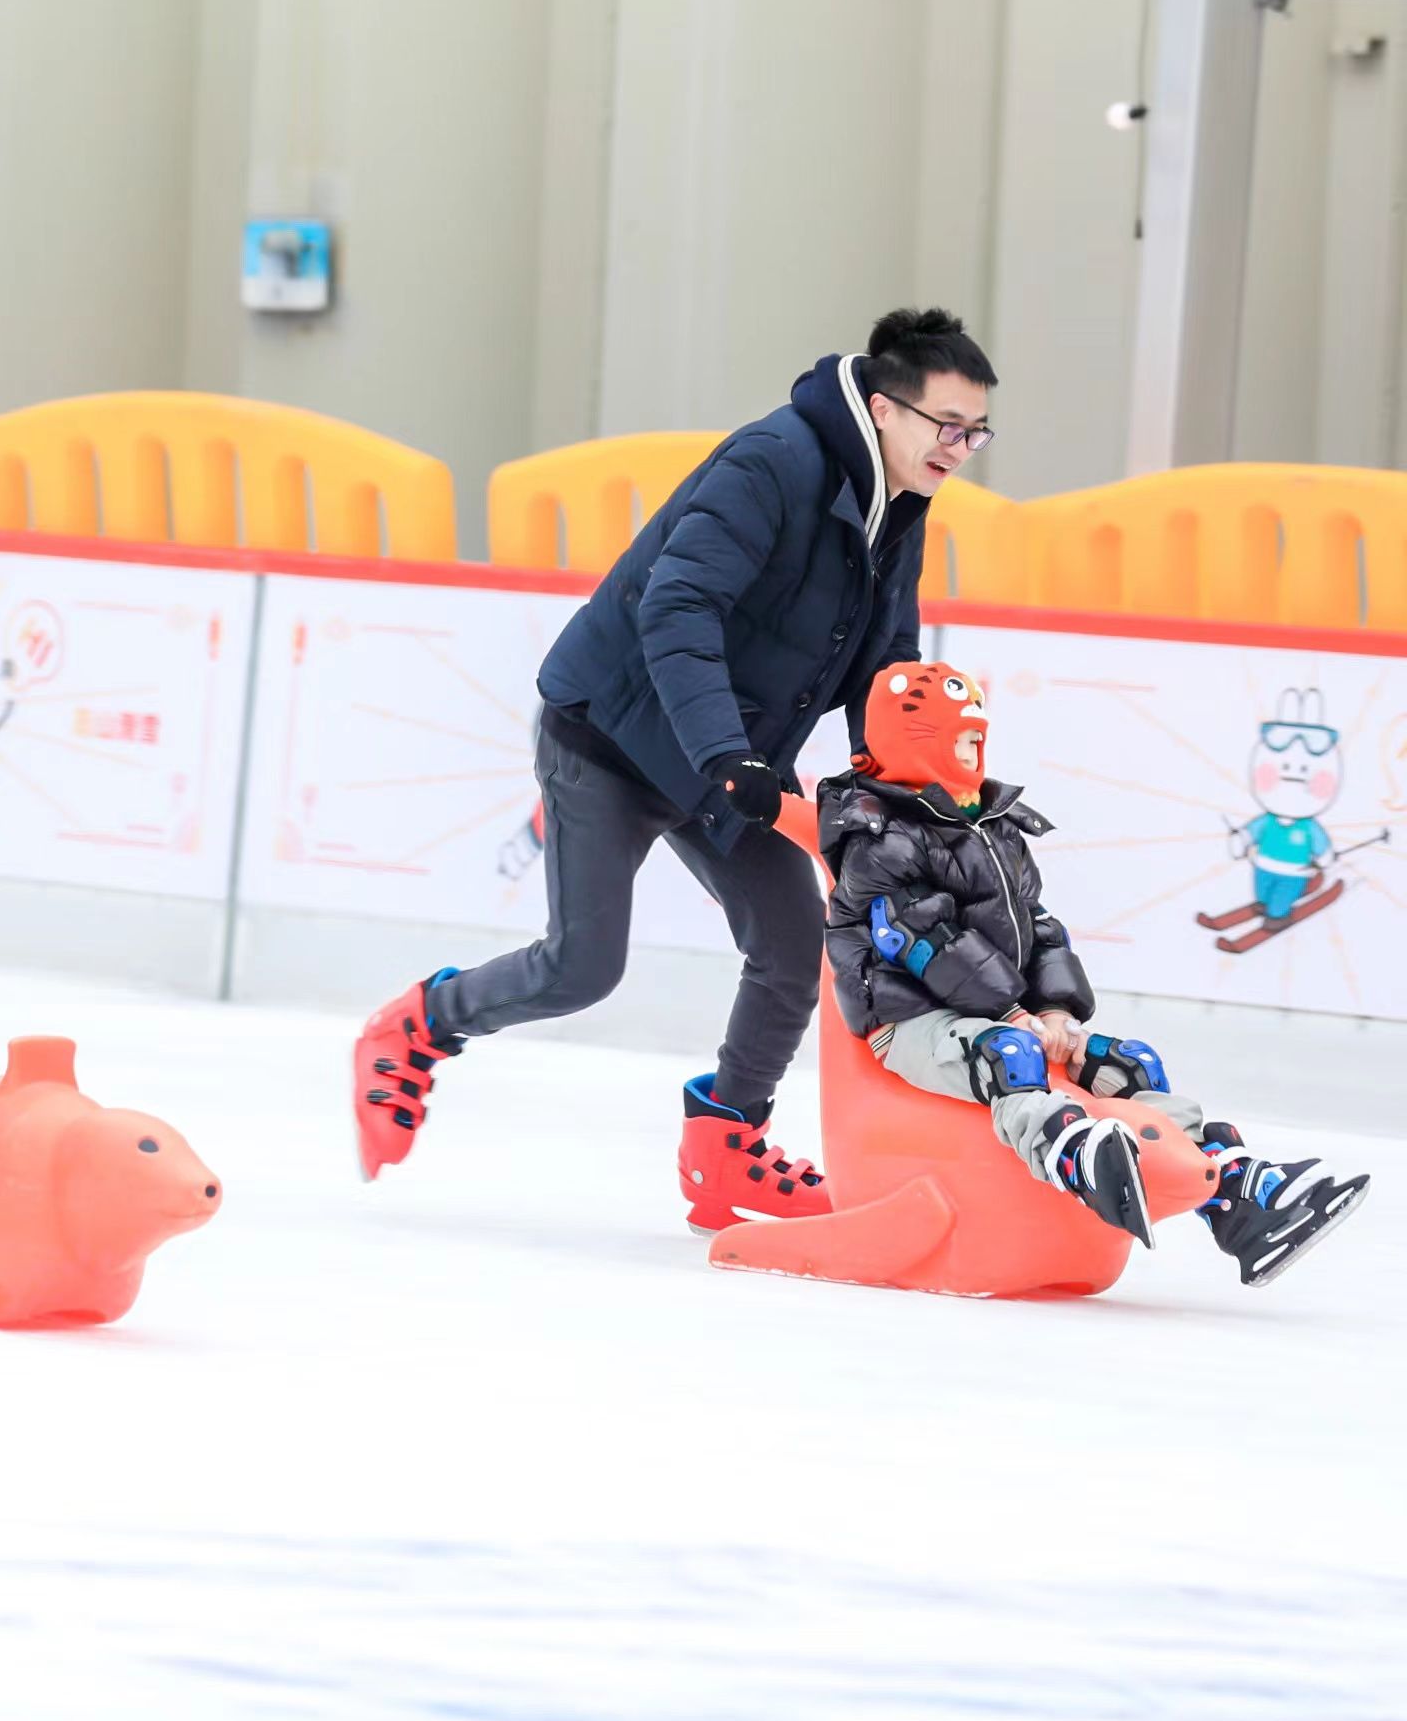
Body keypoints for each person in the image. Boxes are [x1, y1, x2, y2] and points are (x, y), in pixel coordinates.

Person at [352, 307, 1001, 1230]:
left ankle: (727, 1141)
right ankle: (422, 1020)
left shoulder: (900, 505)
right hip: (611, 739)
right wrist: (727, 755)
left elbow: (886, 663)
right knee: (581, 967)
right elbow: (679, 606)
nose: (962, 449)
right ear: (887, 408)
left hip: (722, 761)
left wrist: (899, 783)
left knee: (791, 943)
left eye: (976, 432)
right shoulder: (774, 461)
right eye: (949, 426)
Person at [823, 659, 1368, 1286]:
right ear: (913, 739)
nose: (977, 742)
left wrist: (1057, 1009)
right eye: (961, 733)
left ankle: (1233, 1196)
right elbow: (919, 938)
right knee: (1009, 1054)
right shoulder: (881, 833)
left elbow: (1040, 924)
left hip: (1000, 1007)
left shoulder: (993, 824)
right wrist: (1011, 1015)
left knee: (1129, 1066)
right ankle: (1069, 1157)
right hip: (913, 1017)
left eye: (977, 732)